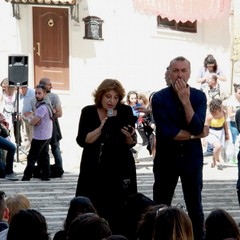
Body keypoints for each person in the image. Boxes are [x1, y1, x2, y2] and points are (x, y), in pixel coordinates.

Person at [151, 56, 209, 240]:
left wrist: (185, 101)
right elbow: (169, 133)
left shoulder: (199, 96)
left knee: (195, 208)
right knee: (160, 205)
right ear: (168, 72)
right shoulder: (159, 97)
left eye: (183, 71)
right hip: (166, 160)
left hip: (191, 160)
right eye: (175, 70)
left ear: (190, 73)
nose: (179, 75)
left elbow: (198, 126)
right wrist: (194, 135)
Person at [75, 79, 138, 234]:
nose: (112, 101)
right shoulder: (88, 111)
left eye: (116, 97)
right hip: (94, 165)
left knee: (120, 207)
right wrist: (102, 128)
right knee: (92, 205)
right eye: (108, 96)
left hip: (120, 165)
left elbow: (130, 142)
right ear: (101, 96)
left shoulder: (125, 111)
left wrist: (129, 136)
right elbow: (84, 140)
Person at [21, 84, 53, 181]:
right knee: (44, 156)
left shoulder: (42, 108)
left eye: (39, 93)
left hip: (40, 136)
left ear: (45, 94)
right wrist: (34, 117)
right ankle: (46, 175)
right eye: (36, 93)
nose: (37, 95)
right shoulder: (46, 105)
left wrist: (30, 117)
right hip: (46, 135)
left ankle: (27, 176)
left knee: (32, 157)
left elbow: (31, 122)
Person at [39, 78, 64, 177]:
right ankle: (44, 170)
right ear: (43, 85)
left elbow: (59, 113)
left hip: (52, 125)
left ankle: (59, 169)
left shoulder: (54, 97)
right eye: (49, 84)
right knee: (42, 150)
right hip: (41, 127)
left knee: (55, 148)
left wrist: (49, 116)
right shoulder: (37, 95)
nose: (51, 86)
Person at [205, 99, 229, 169]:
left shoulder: (223, 112)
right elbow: (206, 127)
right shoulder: (210, 116)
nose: (221, 107)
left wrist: (227, 133)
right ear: (215, 107)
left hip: (221, 132)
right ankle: (217, 160)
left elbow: (225, 123)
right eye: (219, 107)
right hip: (212, 132)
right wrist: (203, 139)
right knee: (218, 146)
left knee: (219, 148)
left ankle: (214, 159)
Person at [19, 86, 35, 152]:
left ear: (23, 88)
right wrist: (19, 114)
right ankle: (27, 151)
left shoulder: (32, 93)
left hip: (31, 118)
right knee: (25, 135)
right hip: (23, 118)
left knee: (32, 136)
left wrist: (31, 112)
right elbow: (19, 104)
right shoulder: (19, 94)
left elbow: (37, 105)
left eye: (19, 89)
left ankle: (34, 151)